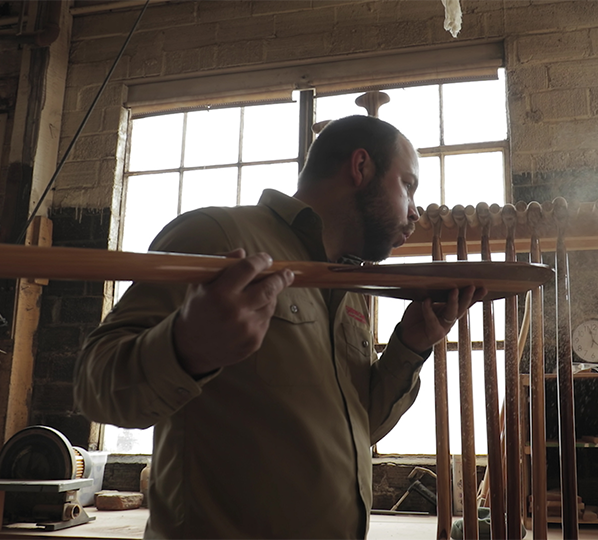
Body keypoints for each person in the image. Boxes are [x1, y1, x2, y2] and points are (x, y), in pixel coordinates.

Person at [74, 115, 485, 540]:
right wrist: (186, 348)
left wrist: (410, 345)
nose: (415, 210)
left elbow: (358, 428)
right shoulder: (216, 236)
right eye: (408, 185)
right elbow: (95, 388)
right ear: (360, 167)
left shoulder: (349, 285)